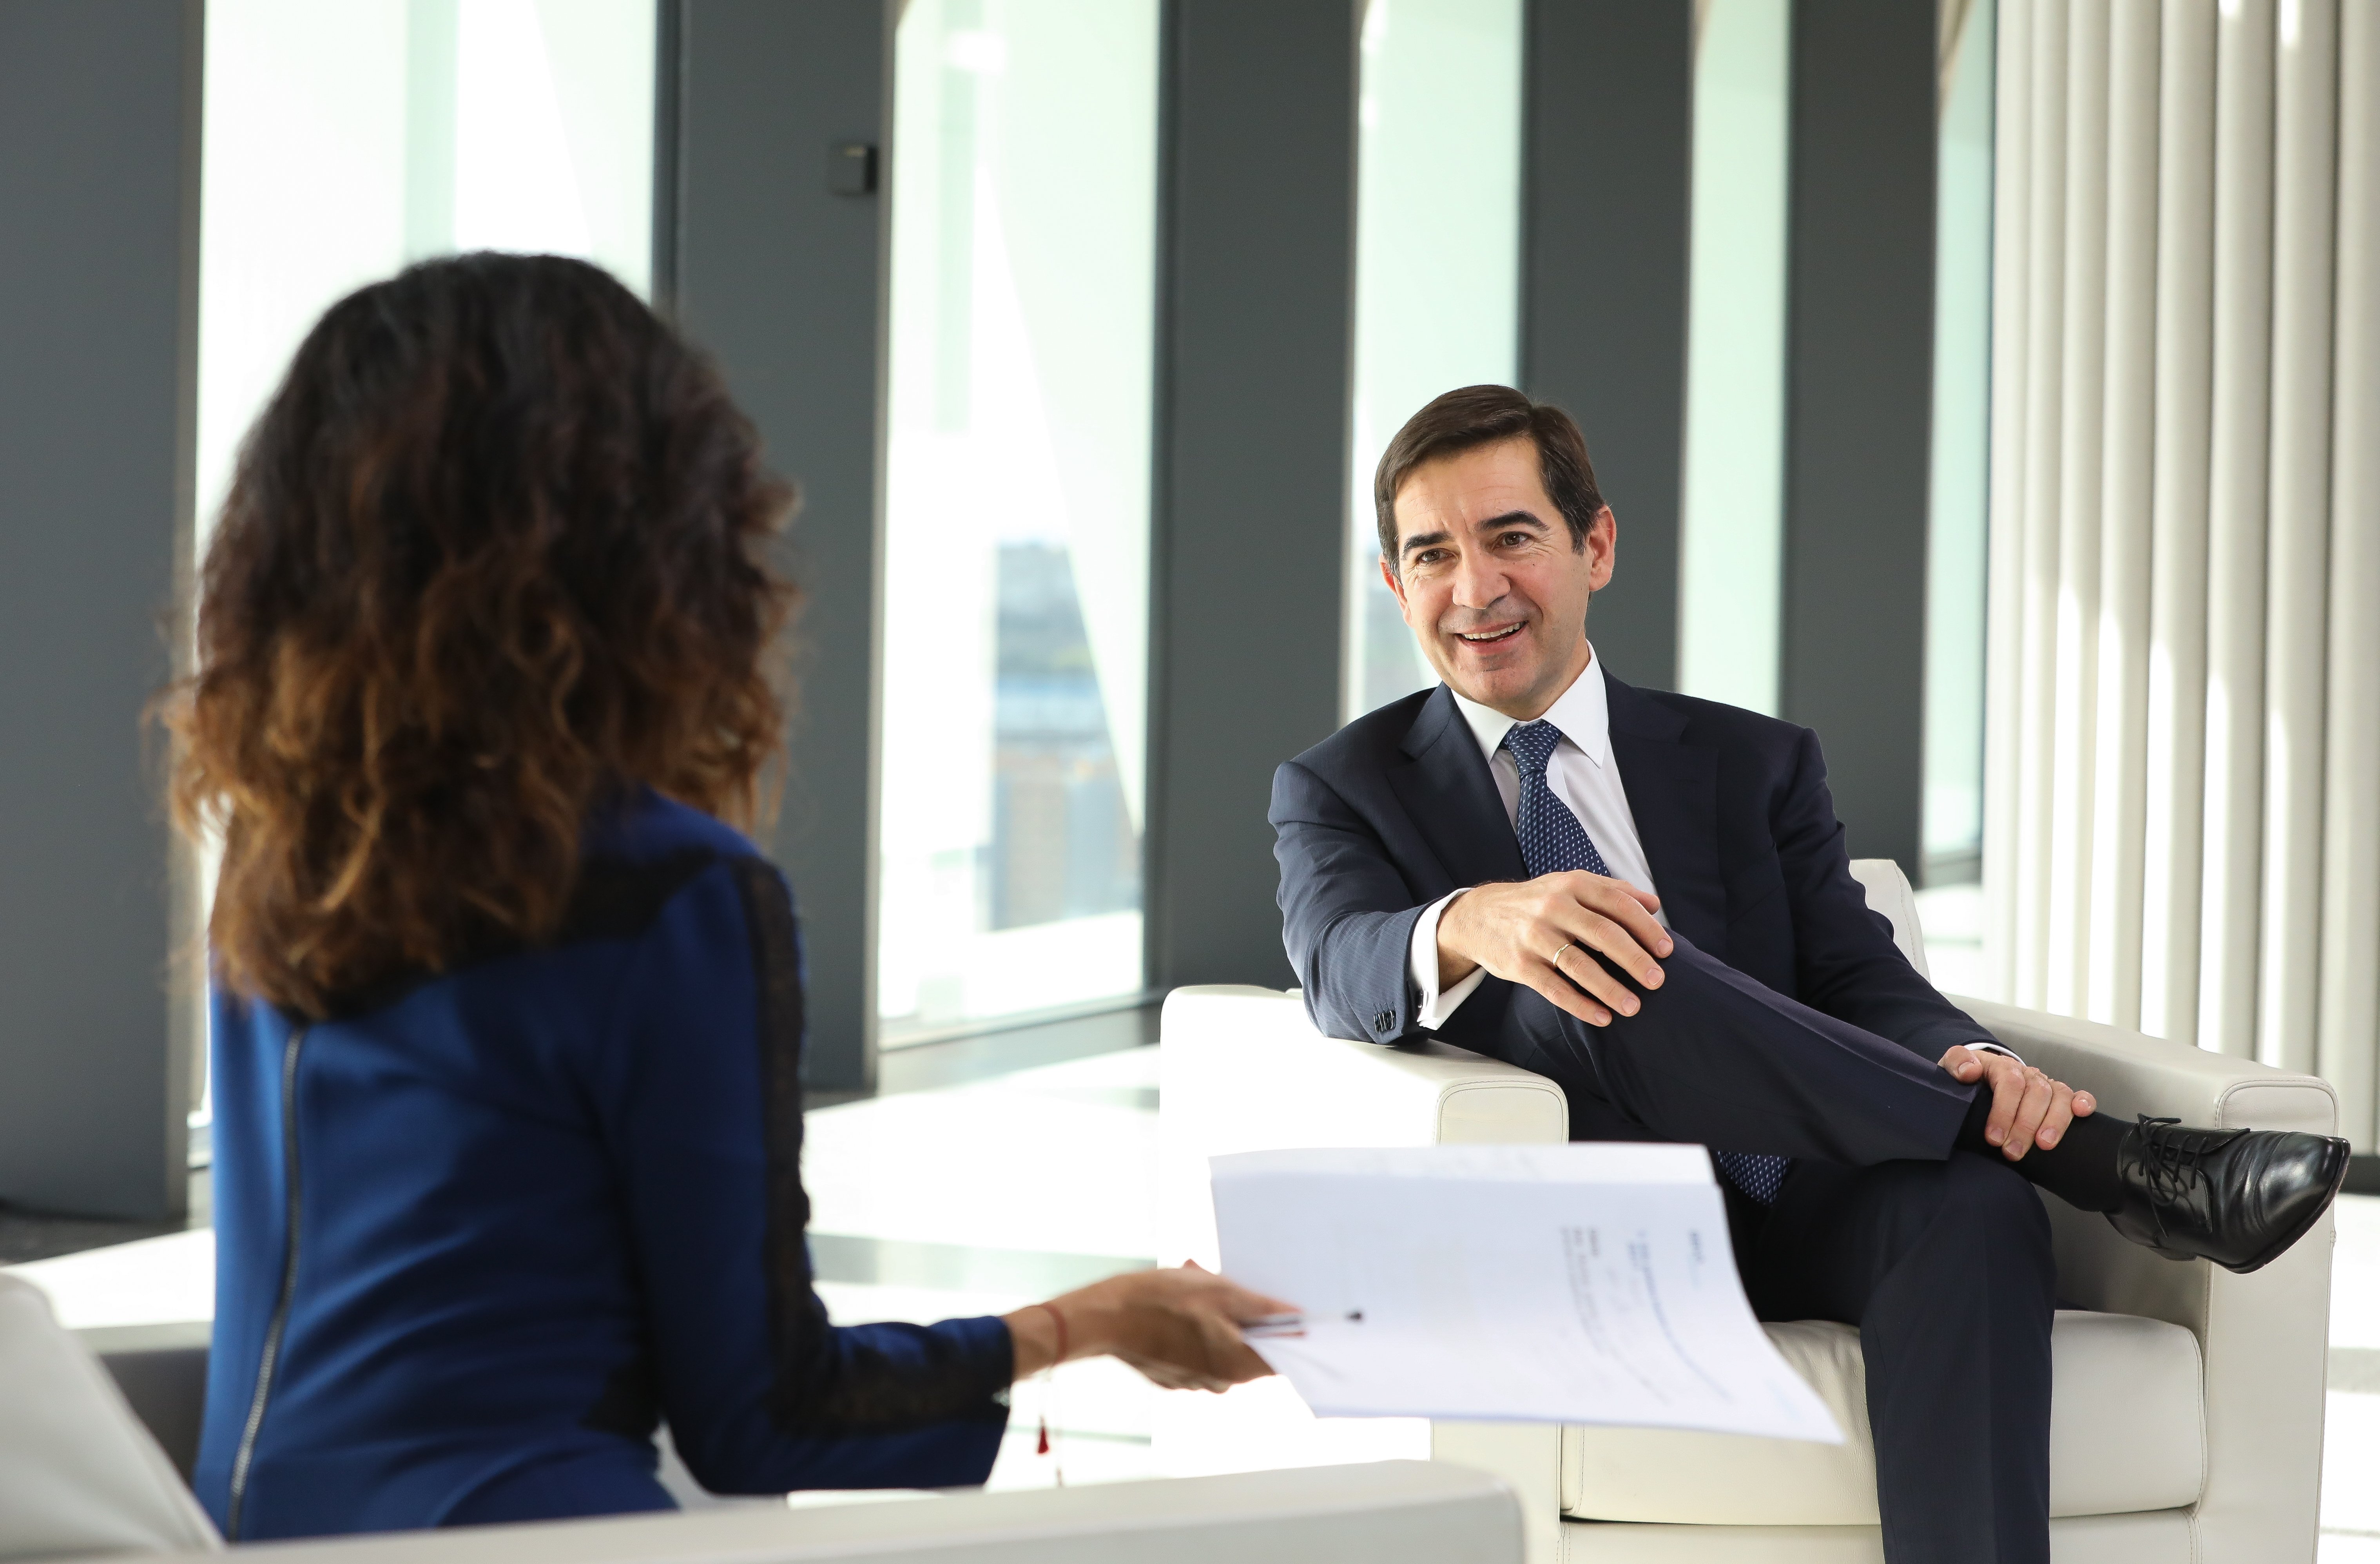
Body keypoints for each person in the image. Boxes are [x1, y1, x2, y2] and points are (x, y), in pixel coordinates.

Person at [164, 254, 1286, 1541]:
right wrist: (1088, 1324)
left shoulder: (289, 856)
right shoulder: (671, 891)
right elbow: (767, 1416)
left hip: (241, 1536)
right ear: (651, 537)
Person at [1269, 384, 2349, 1564]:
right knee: (1585, 961)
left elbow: (1855, 974)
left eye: (1511, 537)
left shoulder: (1751, 760)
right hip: (1593, 1227)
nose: (1475, 588)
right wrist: (1478, 919)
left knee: (1974, 1208)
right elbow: (1335, 962)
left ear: (1596, 547)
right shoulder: (1342, 786)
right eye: (1432, 554)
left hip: (1807, 1186)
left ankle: (2024, 1161)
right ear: (1396, 586)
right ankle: (2105, 1163)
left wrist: (1973, 1059)